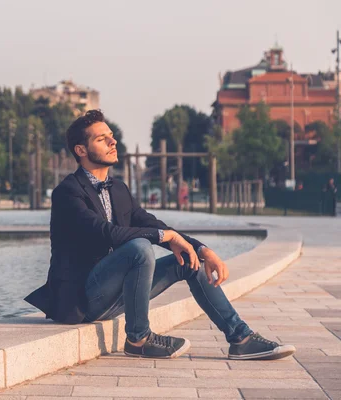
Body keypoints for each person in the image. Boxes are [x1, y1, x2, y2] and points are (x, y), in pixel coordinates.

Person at [25, 110, 296, 360]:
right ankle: (139, 339)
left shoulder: (117, 189)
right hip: (83, 299)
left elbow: (150, 222)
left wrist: (201, 249)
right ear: (81, 150)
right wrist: (164, 237)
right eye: (102, 138)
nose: (112, 142)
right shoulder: (68, 192)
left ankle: (241, 338)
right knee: (140, 247)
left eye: (111, 136)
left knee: (189, 261)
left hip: (117, 293)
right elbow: (106, 233)